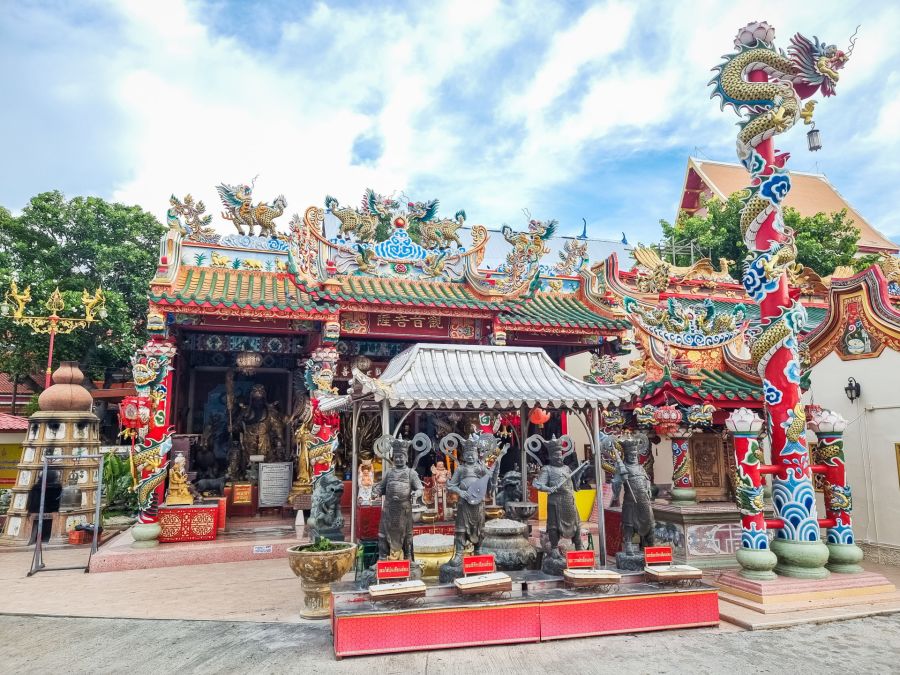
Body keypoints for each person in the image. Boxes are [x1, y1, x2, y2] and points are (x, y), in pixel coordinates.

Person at [371, 440, 423, 561]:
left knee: (407, 535)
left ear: (406, 458)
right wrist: (376, 492)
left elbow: (420, 488)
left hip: (404, 509)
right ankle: (383, 557)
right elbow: (381, 487)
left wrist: (417, 492)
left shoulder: (411, 473)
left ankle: (408, 557)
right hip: (389, 509)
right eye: (396, 457)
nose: (399, 459)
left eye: (401, 457)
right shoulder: (389, 473)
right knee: (383, 534)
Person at [533, 439, 583, 553]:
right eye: (556, 455)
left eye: (560, 455)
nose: (559, 457)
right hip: (555, 502)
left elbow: (575, 485)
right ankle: (554, 548)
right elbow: (539, 484)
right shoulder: (547, 469)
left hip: (569, 501)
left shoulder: (566, 468)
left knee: (576, 524)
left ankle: (579, 545)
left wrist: (579, 474)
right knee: (553, 526)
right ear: (551, 456)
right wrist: (548, 488)